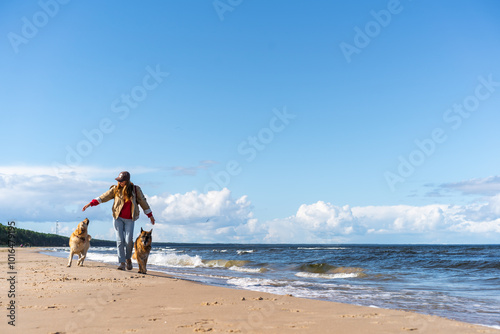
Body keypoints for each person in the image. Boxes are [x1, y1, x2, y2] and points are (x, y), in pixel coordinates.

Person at [82, 171, 155, 270]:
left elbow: (143, 202)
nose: (120, 182)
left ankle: (128, 259)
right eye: (119, 180)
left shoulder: (135, 190)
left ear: (127, 181)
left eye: (122, 181)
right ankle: (122, 263)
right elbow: (104, 196)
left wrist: (150, 215)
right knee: (120, 240)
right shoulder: (115, 189)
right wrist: (90, 203)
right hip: (118, 218)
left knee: (128, 241)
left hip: (130, 219)